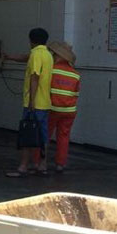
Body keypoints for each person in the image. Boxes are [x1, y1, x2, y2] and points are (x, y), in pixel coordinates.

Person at [3, 28, 53, 177]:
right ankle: (42, 165)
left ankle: (23, 166)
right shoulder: (47, 54)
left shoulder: (36, 55)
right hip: (45, 103)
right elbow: (26, 57)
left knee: (27, 133)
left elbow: (35, 77)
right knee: (43, 135)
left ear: (31, 40)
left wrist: (31, 101)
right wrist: (10, 57)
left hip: (34, 103)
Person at [47, 40, 81, 173]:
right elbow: (76, 93)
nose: (53, 56)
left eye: (54, 54)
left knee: (45, 135)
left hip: (52, 108)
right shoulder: (76, 74)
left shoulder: (52, 70)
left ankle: (38, 161)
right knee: (64, 137)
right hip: (69, 111)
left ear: (59, 56)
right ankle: (60, 164)